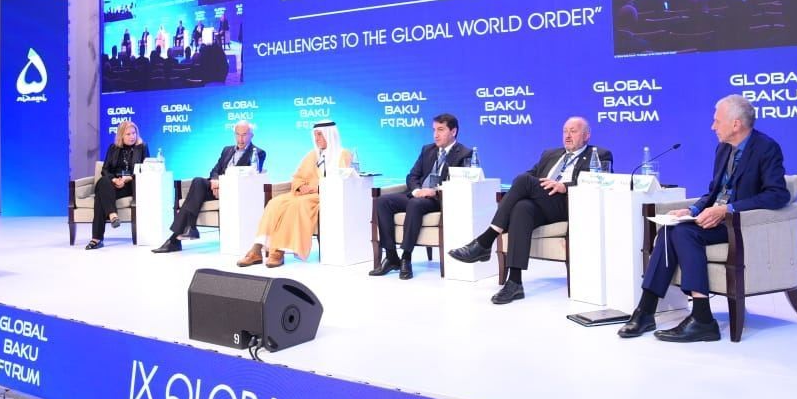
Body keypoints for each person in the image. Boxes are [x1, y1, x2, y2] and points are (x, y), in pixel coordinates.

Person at [618, 95, 788, 342]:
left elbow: (777, 194)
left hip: (739, 224)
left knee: (683, 233)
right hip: (713, 219)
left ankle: (702, 318)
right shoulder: (723, 149)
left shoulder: (766, 148)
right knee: (669, 229)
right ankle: (646, 311)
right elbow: (713, 192)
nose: (712, 127)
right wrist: (692, 211)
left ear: (736, 124)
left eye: (717, 121)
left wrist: (728, 209)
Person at [448, 117, 611, 304]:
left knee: (523, 181)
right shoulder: (550, 154)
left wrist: (564, 186)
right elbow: (530, 175)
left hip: (567, 204)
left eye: (573, 131)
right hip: (542, 204)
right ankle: (514, 282)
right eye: (565, 131)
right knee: (521, 208)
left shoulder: (600, 155)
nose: (567, 135)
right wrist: (531, 186)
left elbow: (600, 182)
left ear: (586, 135)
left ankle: (486, 240)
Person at [371, 114, 472, 279]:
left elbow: (461, 184)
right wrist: (417, 191)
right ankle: (391, 257)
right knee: (383, 201)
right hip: (418, 195)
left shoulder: (464, 154)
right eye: (434, 130)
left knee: (415, 204)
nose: (435, 135)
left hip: (438, 200)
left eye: (441, 130)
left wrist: (435, 191)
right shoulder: (427, 150)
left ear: (453, 131)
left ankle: (406, 257)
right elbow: (412, 176)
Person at [237, 122, 350, 267]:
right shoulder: (312, 155)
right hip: (303, 195)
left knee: (296, 205)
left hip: (325, 196)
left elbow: (342, 179)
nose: (316, 139)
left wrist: (315, 188)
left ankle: (278, 251)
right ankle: (256, 250)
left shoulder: (343, 154)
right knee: (274, 203)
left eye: (320, 135)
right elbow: (297, 177)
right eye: (315, 135)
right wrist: (300, 187)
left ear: (330, 135)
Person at [152, 121, 266, 253]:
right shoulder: (227, 150)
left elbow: (248, 176)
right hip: (216, 188)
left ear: (251, 135)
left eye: (244, 135)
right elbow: (215, 170)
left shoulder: (258, 153)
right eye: (238, 134)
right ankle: (189, 228)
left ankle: (175, 239)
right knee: (198, 181)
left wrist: (221, 183)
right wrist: (215, 181)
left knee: (193, 196)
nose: (241, 139)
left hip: (235, 191)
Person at [86, 120, 149, 250]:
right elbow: (105, 170)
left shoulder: (142, 147)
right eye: (128, 134)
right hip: (113, 184)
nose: (132, 136)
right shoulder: (113, 148)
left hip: (131, 185)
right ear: (121, 135)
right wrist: (115, 180)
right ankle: (113, 215)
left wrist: (129, 178)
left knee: (100, 196)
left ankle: (96, 238)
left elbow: (146, 169)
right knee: (103, 182)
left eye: (134, 133)